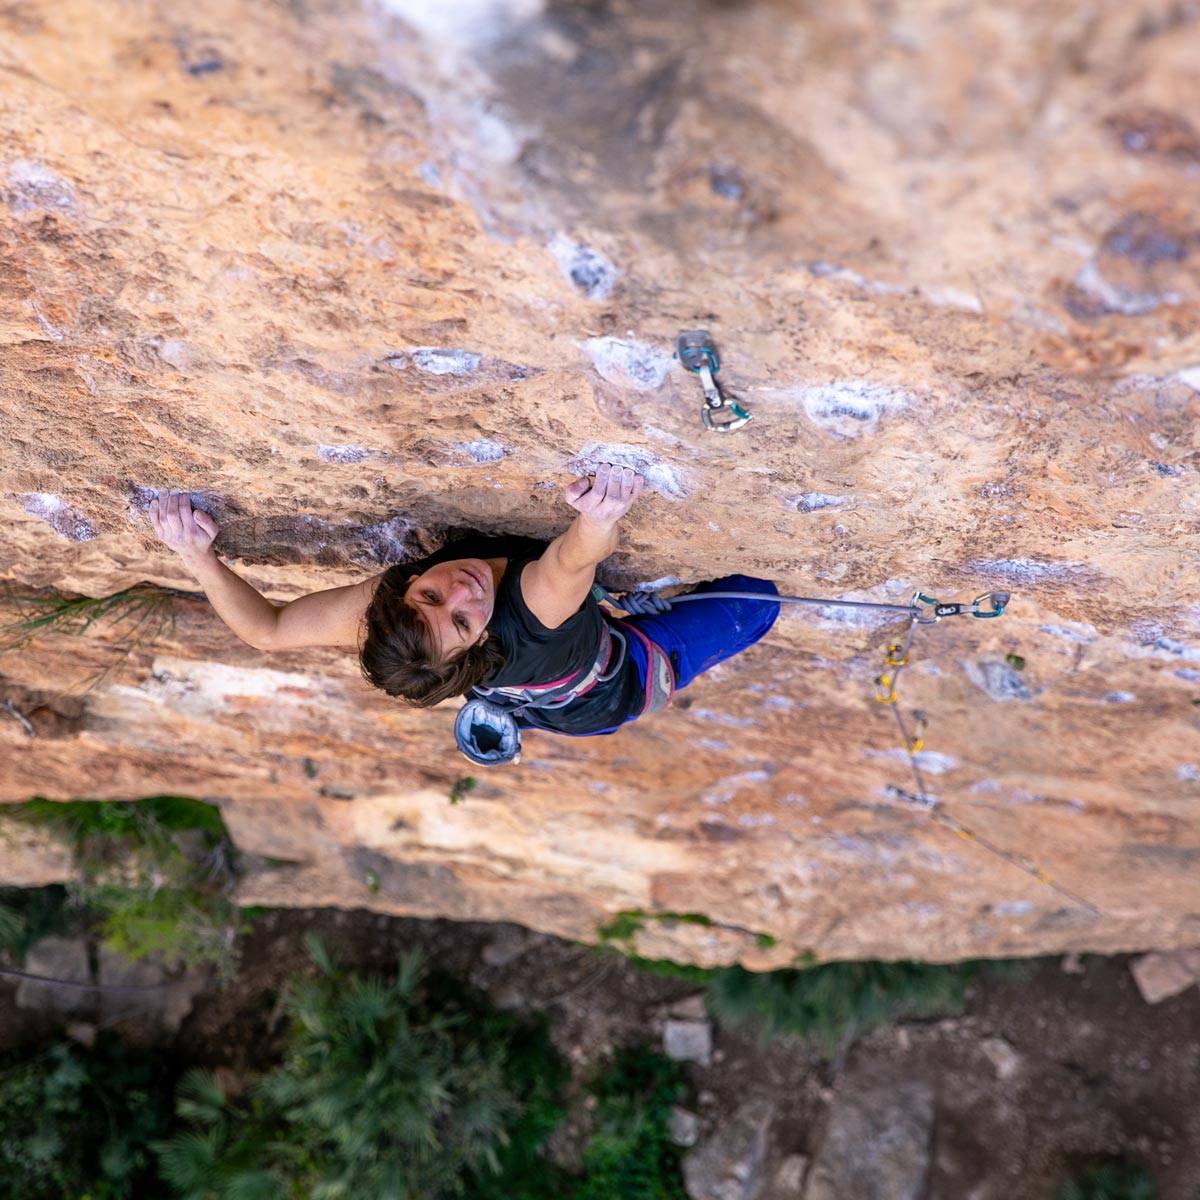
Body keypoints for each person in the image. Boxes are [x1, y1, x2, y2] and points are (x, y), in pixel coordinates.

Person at [148, 464, 779, 762]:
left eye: (431, 595)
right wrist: (600, 513)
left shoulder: (395, 616)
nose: (463, 591)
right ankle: (522, 705)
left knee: (509, 678)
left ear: (404, 588)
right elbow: (571, 562)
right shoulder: (529, 615)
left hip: (519, 672)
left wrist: (196, 556)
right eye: (460, 620)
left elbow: (268, 631)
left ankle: (504, 708)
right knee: (759, 599)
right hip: (615, 684)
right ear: (477, 644)